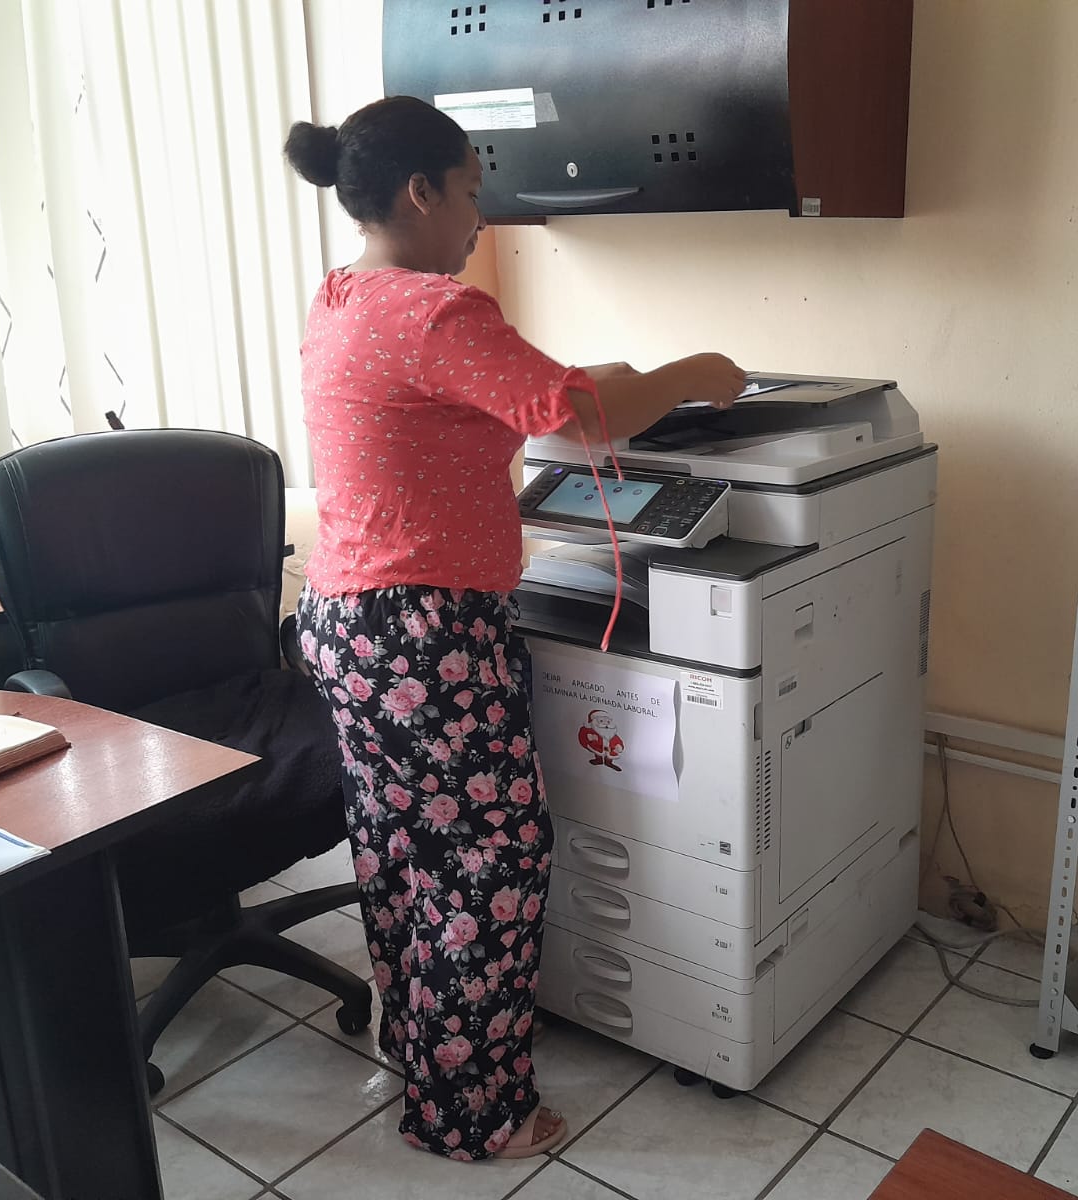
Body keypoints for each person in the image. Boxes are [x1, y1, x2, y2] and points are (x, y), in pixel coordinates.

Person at [283, 95, 744, 1162]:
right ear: (420, 192)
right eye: (471, 192)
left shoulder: (344, 296)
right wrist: (696, 374)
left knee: (403, 850)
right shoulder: (440, 311)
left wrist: (605, 381)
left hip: (348, 621)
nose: (478, 218)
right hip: (427, 634)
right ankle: (475, 1113)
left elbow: (527, 395)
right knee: (491, 858)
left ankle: (422, 1050)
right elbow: (580, 416)